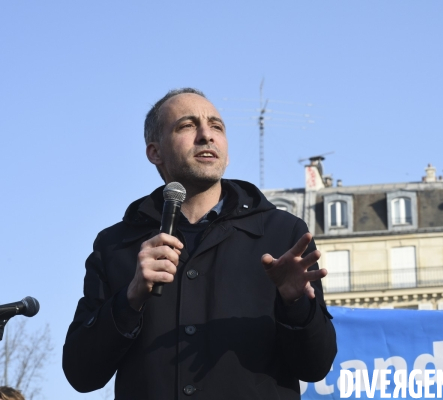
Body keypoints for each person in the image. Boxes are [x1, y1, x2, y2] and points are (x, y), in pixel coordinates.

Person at [62, 88, 337, 399]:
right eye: (187, 125)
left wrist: (296, 305)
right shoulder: (116, 245)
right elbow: (81, 374)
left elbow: (316, 367)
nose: (207, 135)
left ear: (227, 151)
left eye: (216, 126)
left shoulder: (282, 235)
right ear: (155, 152)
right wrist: (130, 298)